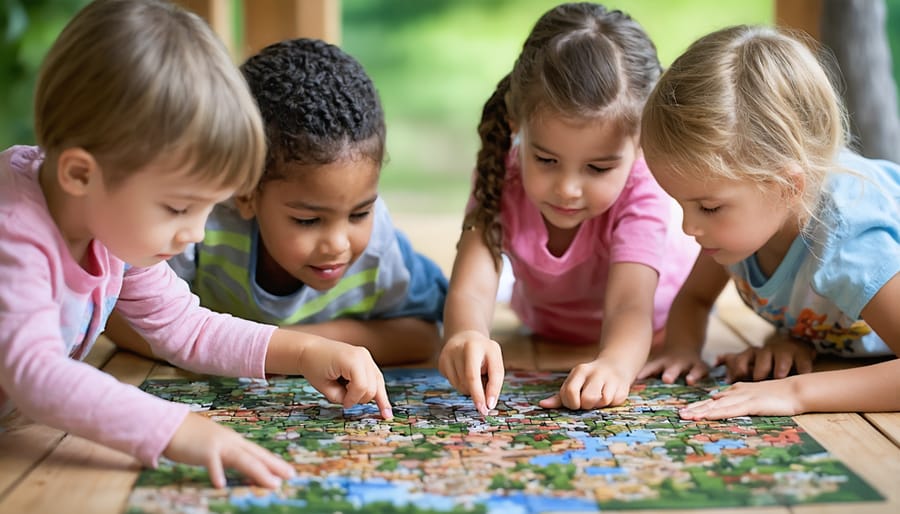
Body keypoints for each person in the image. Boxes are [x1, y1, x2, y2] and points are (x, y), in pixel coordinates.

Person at [0, 0, 392, 491]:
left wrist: (306, 350)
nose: (197, 233)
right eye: (179, 208)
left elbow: (184, 328)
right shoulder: (14, 234)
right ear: (81, 174)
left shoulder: (109, 222)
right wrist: (175, 429)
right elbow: (36, 374)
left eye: (209, 208)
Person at [107, 38, 448, 366]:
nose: (338, 243)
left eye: (360, 213)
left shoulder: (380, 247)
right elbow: (120, 320)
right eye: (308, 220)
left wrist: (290, 346)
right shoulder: (198, 228)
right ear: (245, 193)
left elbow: (423, 335)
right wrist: (269, 350)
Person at [438, 2, 699, 415]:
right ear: (515, 125)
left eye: (598, 167)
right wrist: (465, 334)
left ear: (640, 145)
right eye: (545, 160)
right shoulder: (499, 168)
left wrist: (615, 364)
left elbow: (630, 306)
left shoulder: (640, 187)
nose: (568, 188)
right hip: (545, 325)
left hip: (654, 323)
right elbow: (472, 285)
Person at [637, 25, 900, 419]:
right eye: (680, 203)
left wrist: (796, 392)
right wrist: (682, 349)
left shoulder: (850, 242)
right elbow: (693, 300)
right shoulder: (736, 227)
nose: (688, 227)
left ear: (787, 186)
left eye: (707, 207)